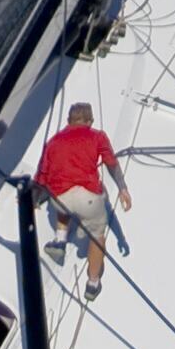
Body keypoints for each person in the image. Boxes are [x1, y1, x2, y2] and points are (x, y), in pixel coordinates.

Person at [34, 102, 132, 301]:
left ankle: (60, 240)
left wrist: (34, 200)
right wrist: (122, 188)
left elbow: (42, 176)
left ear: (68, 121)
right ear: (90, 121)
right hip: (87, 200)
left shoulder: (53, 142)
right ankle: (93, 283)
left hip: (59, 200)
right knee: (97, 234)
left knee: (62, 194)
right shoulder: (97, 136)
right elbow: (111, 163)